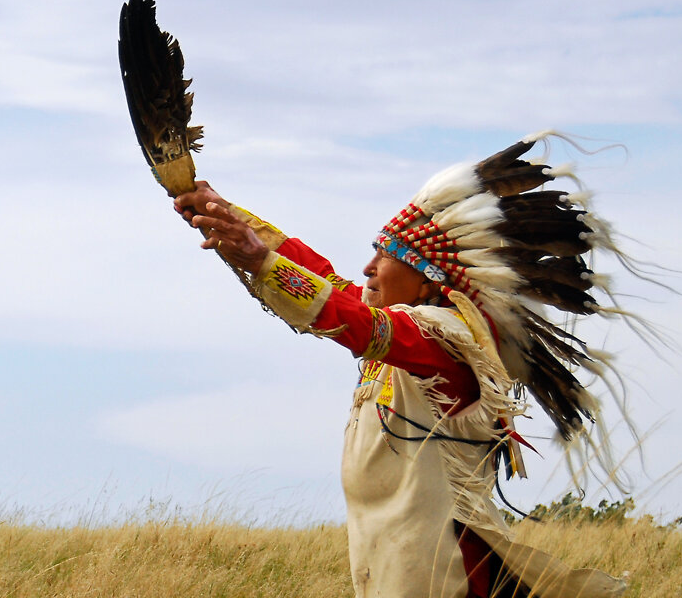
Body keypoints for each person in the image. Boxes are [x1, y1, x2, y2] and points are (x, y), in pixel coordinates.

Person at [172, 131, 638, 598]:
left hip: (443, 564)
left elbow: (347, 318)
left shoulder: (441, 335)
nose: (369, 268)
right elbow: (328, 284)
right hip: (392, 552)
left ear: (425, 284)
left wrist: (259, 259)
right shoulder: (400, 326)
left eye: (387, 257)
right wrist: (225, 213)